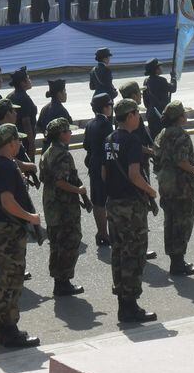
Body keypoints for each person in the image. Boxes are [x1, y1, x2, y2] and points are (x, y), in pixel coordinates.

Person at [0, 123, 41, 348]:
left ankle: (4, 327)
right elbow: (7, 201)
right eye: (18, 140)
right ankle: (9, 330)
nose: (20, 144)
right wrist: (30, 217)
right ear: (11, 142)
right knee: (11, 278)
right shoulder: (6, 167)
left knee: (0, 276)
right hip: (9, 231)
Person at [103, 99, 158, 323]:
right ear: (130, 116)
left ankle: (122, 301)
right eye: (137, 114)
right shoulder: (132, 141)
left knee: (119, 252)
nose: (139, 118)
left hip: (114, 203)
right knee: (134, 253)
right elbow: (135, 175)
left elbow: (104, 173)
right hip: (131, 206)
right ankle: (130, 305)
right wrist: (151, 191)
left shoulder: (109, 140)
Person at [154, 100, 194, 275]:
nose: (186, 116)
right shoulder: (181, 136)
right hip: (181, 186)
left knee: (170, 221)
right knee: (183, 223)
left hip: (166, 184)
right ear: (179, 117)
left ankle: (175, 261)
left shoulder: (161, 134)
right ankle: (179, 262)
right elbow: (181, 161)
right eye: (184, 113)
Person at [40, 118, 86, 297]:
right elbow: (60, 181)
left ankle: (59, 281)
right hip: (63, 206)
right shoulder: (62, 155)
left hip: (51, 204)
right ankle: (63, 281)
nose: (70, 134)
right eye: (67, 131)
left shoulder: (47, 152)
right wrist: (78, 190)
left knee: (57, 243)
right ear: (60, 134)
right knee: (70, 241)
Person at [83, 92, 114, 246]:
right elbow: (109, 147)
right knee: (105, 200)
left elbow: (86, 145)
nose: (111, 108)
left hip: (93, 164)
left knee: (97, 200)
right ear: (105, 107)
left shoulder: (90, 124)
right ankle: (105, 233)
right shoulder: (106, 124)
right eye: (110, 105)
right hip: (103, 165)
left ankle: (101, 232)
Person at [7, 67, 37, 161]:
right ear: (22, 83)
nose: (30, 80)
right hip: (24, 140)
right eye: (28, 78)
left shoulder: (10, 96)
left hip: (14, 137)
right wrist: (31, 144)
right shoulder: (24, 98)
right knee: (27, 166)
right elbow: (26, 122)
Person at [143, 58, 177, 139]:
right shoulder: (161, 80)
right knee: (163, 138)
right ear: (156, 70)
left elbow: (146, 101)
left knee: (154, 137)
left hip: (151, 114)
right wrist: (173, 78)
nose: (161, 68)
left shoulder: (146, 81)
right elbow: (172, 88)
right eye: (159, 67)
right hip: (161, 114)